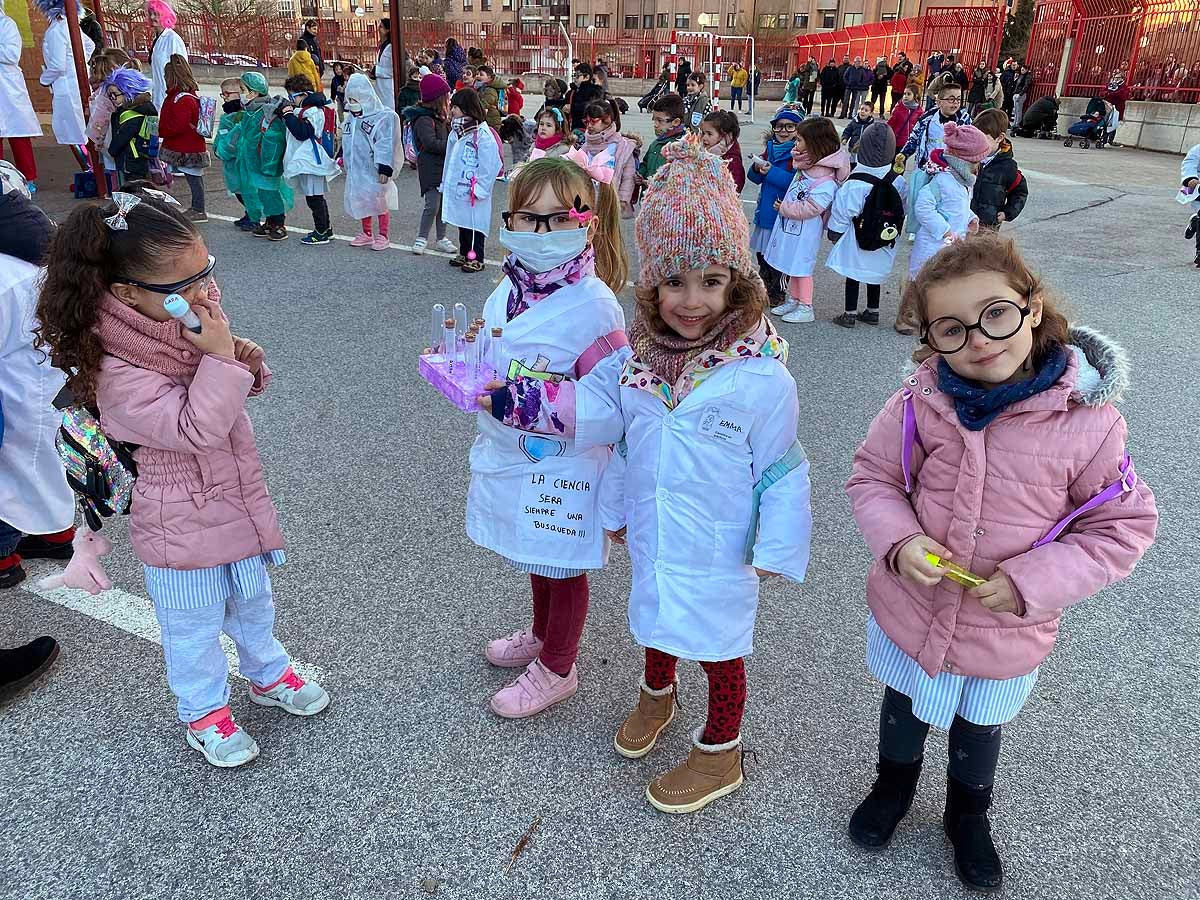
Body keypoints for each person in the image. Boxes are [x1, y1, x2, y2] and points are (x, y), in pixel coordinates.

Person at [482, 137, 810, 812]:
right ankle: (656, 696)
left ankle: (721, 751)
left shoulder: (762, 376)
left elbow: (782, 466)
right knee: (655, 621)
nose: (691, 301)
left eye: (711, 281)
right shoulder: (638, 364)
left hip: (724, 544)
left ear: (737, 283)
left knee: (718, 645)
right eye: (673, 283)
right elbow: (618, 436)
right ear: (651, 286)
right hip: (658, 529)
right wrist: (610, 511)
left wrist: (778, 547)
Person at [844, 233, 1157, 892]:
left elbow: (1123, 525)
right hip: (915, 604)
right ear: (931, 339)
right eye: (953, 329)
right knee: (904, 701)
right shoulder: (919, 402)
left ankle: (968, 815)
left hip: (1007, 625)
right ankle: (892, 788)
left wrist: (1032, 581)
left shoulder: (1090, 423)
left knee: (980, 722)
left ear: (1032, 307)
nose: (980, 340)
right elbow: (873, 477)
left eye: (995, 314)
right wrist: (900, 543)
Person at [34, 189, 333, 767]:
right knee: (192, 626)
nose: (203, 293)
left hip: (235, 495)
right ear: (125, 294)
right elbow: (196, 428)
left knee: (253, 601)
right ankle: (203, 713)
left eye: (207, 272)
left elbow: (238, 386)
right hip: (176, 512)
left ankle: (267, 674)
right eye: (182, 287)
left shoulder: (186, 318)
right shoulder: (116, 365)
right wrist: (222, 361)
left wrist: (243, 359)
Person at [468, 155, 629, 719]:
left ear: (587, 220)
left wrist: (525, 400)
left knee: (562, 558)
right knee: (538, 548)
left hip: (567, 463)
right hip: (518, 452)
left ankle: (559, 664)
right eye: (527, 219)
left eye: (557, 218)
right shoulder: (507, 289)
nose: (540, 233)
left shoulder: (595, 307)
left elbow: (612, 408)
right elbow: (499, 354)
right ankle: (541, 634)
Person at [0, 217, 75, 592]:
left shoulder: (4, 275)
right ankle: (57, 535)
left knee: (12, 481)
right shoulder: (25, 258)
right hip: (43, 382)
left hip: (16, 391)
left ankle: (3, 558)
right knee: (41, 468)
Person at [765, 117, 851, 324]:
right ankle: (795, 299)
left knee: (801, 268)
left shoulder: (825, 181)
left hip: (805, 233)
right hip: (792, 229)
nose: (796, 145)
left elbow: (812, 208)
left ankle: (806, 306)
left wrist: (784, 208)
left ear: (815, 145)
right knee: (792, 266)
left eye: (800, 141)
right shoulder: (805, 170)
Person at [825, 123, 905, 328]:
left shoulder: (854, 182)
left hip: (857, 235)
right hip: (884, 237)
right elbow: (902, 207)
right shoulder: (898, 181)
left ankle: (849, 314)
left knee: (854, 273)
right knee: (874, 272)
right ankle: (873, 310)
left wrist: (835, 233)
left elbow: (842, 212)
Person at [909, 123, 989, 279]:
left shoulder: (962, 181)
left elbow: (957, 206)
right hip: (932, 247)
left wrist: (970, 217)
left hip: (952, 246)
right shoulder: (942, 180)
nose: (978, 168)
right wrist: (944, 230)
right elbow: (923, 207)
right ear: (963, 162)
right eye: (977, 163)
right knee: (926, 285)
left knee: (945, 282)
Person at [899, 81, 971, 245]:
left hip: (951, 169)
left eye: (958, 100)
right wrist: (903, 154)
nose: (955, 103)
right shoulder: (927, 118)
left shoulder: (965, 119)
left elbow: (971, 142)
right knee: (919, 197)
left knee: (945, 201)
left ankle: (947, 229)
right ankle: (915, 229)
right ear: (939, 101)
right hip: (927, 167)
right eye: (951, 99)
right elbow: (914, 138)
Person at [441, 88, 502, 273]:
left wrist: (481, 187)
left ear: (467, 109)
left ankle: (476, 257)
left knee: (474, 223)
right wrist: (446, 181)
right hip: (460, 185)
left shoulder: (482, 135)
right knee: (462, 221)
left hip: (474, 188)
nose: (452, 111)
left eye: (456, 108)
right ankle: (464, 252)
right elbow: (449, 159)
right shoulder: (457, 132)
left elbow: (490, 163)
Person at [341, 72, 400, 252]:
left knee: (379, 200)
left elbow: (385, 144)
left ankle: (383, 235)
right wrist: (342, 157)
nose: (352, 104)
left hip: (374, 169)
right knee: (362, 199)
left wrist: (385, 167)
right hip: (357, 168)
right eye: (349, 99)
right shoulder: (351, 118)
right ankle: (367, 233)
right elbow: (347, 139)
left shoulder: (381, 118)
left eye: (355, 99)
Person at [748, 108, 799, 312]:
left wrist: (771, 172)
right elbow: (754, 179)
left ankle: (777, 292)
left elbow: (794, 183)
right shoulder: (769, 148)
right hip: (766, 210)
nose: (783, 131)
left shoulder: (799, 153)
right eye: (779, 126)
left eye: (789, 126)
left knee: (778, 255)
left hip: (783, 212)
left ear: (797, 129)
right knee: (762, 253)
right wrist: (756, 169)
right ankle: (764, 288)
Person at [279, 73, 339, 246]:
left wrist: (288, 115)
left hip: (312, 160)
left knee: (314, 197)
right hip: (309, 160)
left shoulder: (313, 112)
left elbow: (302, 133)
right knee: (315, 196)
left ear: (304, 94)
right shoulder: (310, 109)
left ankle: (321, 232)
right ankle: (326, 229)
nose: (291, 101)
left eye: (293, 97)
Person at [232, 71, 292, 241]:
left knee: (271, 192)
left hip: (265, 162)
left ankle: (279, 223)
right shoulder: (251, 111)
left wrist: (270, 163)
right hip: (254, 161)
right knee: (262, 192)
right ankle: (271, 222)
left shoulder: (266, 112)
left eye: (243, 89)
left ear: (254, 92)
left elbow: (274, 139)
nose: (242, 94)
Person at [38, 0, 96, 170]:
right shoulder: (70, 26)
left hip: (65, 87)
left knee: (71, 131)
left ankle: (89, 170)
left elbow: (57, 65)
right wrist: (79, 62)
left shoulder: (55, 31)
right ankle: (95, 169)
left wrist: (44, 79)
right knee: (85, 127)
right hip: (78, 81)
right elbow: (89, 45)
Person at [403, 73, 455, 255]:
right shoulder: (424, 119)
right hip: (431, 168)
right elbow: (431, 143)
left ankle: (441, 238)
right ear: (437, 99)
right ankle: (421, 237)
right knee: (432, 204)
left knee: (443, 205)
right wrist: (452, 145)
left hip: (443, 167)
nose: (449, 100)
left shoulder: (440, 117)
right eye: (446, 97)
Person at [158, 55, 210, 223]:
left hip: (187, 147)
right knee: (192, 176)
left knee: (194, 178)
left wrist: (162, 130)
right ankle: (197, 207)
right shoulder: (185, 96)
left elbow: (177, 125)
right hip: (188, 145)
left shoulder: (183, 99)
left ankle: (198, 209)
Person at [1, 0, 44, 190]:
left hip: (8, 88)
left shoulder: (7, 24)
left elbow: (11, 54)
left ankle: (29, 177)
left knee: (18, 133)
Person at [970, 108, 1027, 231]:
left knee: (983, 250)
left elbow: (1020, 191)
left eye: (983, 139)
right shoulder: (968, 158)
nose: (978, 144)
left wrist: (1007, 212)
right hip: (964, 220)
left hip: (988, 225)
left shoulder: (1007, 167)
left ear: (999, 138)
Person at [580, 100, 638, 218]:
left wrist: (622, 200)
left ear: (607, 120)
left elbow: (628, 177)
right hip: (587, 201)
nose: (589, 125)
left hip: (611, 201)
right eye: (587, 121)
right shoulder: (585, 146)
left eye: (593, 121)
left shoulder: (622, 146)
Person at [104, 68, 157, 183]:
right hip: (138, 158)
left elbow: (121, 138)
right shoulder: (141, 108)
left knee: (133, 191)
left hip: (130, 161)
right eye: (110, 96)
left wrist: (111, 151)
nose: (112, 99)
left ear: (128, 92)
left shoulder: (131, 115)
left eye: (115, 95)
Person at [213, 77, 250, 229]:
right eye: (223, 94)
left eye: (227, 94)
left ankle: (253, 215)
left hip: (239, 158)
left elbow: (236, 139)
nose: (225, 97)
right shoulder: (228, 113)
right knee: (238, 189)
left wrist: (224, 148)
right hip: (230, 159)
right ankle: (250, 213)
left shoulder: (242, 114)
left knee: (246, 190)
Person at [145, 0, 185, 111]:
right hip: (159, 95)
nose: (152, 17)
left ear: (165, 15)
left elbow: (181, 70)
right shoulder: (157, 39)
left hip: (171, 97)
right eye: (150, 13)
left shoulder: (172, 39)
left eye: (156, 14)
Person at [638, 93, 686, 183]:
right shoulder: (655, 144)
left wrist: (657, 183)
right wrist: (640, 173)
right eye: (654, 120)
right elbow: (645, 163)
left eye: (660, 121)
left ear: (676, 122)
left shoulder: (682, 147)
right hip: (649, 194)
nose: (655, 125)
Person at [699, 109, 744, 193]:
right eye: (703, 133)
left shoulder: (731, 161)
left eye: (709, 134)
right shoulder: (702, 153)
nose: (704, 137)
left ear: (724, 136)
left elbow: (734, 190)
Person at [1179, 142, 1198, 267]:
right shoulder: (1198, 149)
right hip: (1196, 186)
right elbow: (1189, 162)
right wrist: (1190, 178)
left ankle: (1195, 221)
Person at [568, 63, 603, 131]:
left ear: (587, 77)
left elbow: (590, 106)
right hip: (573, 128)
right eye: (574, 75)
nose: (575, 78)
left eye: (578, 75)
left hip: (588, 129)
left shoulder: (594, 92)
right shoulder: (573, 91)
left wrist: (572, 108)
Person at [373, 18, 394, 111]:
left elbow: (392, 71)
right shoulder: (382, 46)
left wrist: (377, 71)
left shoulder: (391, 47)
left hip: (388, 89)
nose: (378, 29)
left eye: (381, 27)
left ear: (387, 30)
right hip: (380, 88)